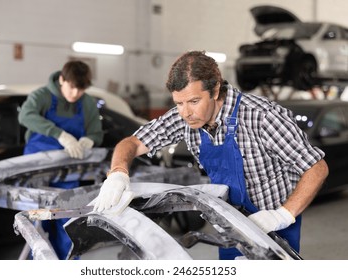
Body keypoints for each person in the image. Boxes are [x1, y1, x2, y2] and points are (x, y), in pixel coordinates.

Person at [91, 50, 329, 260]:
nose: (185, 112)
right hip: (230, 224)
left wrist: (281, 215)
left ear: (215, 90)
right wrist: (118, 173)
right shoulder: (184, 117)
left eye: (194, 101)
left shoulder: (262, 117)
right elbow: (131, 143)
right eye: (179, 103)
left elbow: (316, 168)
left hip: (274, 227)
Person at [18, 60, 103, 259]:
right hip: (36, 170)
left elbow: (96, 132)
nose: (75, 94)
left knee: (67, 223)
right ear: (62, 79)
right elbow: (25, 115)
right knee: (36, 227)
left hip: (68, 173)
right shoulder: (42, 96)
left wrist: (89, 140)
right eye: (72, 87)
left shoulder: (87, 103)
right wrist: (59, 135)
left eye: (80, 90)